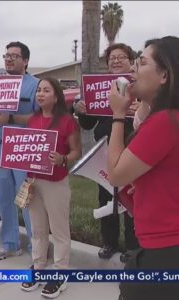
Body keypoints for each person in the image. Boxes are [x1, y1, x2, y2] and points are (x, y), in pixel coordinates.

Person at [108, 36, 179, 300]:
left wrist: (117, 114)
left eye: (142, 63)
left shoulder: (165, 122)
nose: (132, 70)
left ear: (164, 75)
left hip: (164, 250)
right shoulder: (166, 118)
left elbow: (115, 173)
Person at [74, 43, 139, 262]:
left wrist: (140, 108)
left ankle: (133, 246)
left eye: (122, 57)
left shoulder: (138, 86)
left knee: (133, 200)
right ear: (107, 63)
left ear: (131, 61)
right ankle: (109, 242)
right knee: (106, 199)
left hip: (133, 152)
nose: (117, 61)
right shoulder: (98, 87)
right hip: (104, 153)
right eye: (112, 58)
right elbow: (88, 123)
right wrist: (81, 110)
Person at [19, 78, 81, 298]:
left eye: (46, 90)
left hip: (56, 183)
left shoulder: (67, 122)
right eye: (39, 90)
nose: (41, 94)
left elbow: (76, 152)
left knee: (59, 229)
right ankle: (38, 267)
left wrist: (63, 158)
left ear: (56, 96)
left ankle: (61, 273)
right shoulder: (32, 119)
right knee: (38, 229)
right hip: (34, 182)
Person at [0, 41, 39, 261]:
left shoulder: (35, 85)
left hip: (24, 150)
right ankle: (10, 243)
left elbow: (40, 117)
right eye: (7, 55)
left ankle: (37, 246)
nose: (9, 59)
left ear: (25, 61)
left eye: (15, 56)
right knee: (4, 198)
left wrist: (11, 118)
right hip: (0, 149)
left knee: (27, 199)